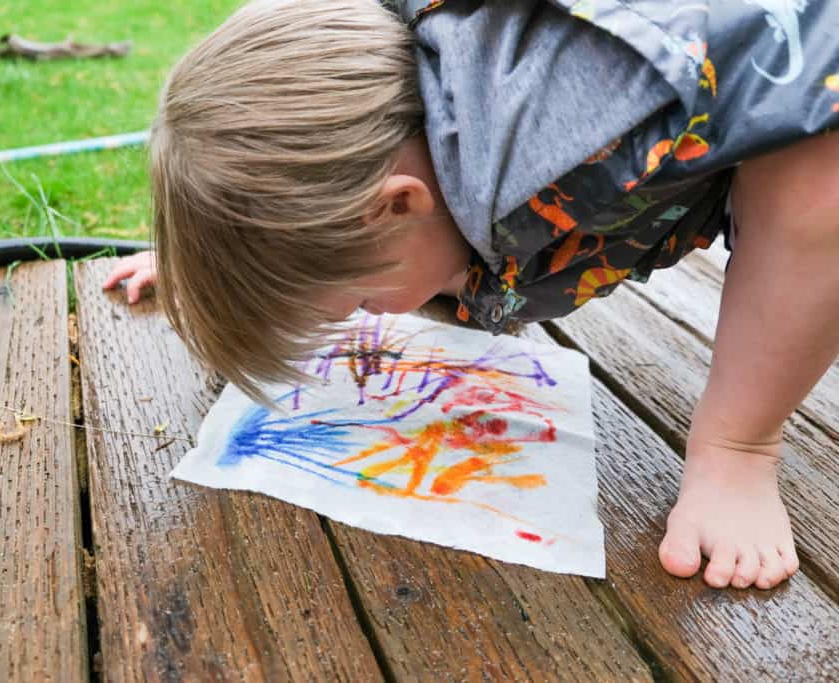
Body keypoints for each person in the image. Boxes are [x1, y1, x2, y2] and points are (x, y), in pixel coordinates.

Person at [103, 0, 839, 590]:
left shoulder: (592, 110)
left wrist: (735, 444)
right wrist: (236, 258)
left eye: (359, 304)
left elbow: (818, 187)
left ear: (399, 203)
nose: (365, 322)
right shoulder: (397, 80)